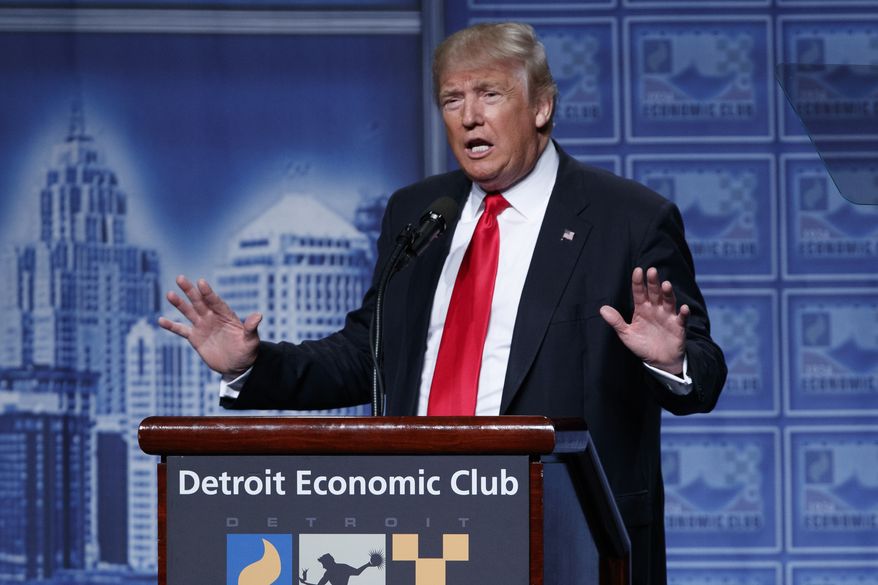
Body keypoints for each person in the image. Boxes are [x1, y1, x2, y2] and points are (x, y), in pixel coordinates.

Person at [159, 22, 726, 585]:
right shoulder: (418, 213)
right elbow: (368, 353)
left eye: (490, 94)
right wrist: (251, 366)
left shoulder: (626, 219)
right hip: (421, 528)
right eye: (452, 99)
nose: (469, 116)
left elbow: (702, 373)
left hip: (566, 538)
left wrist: (669, 360)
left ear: (541, 107)